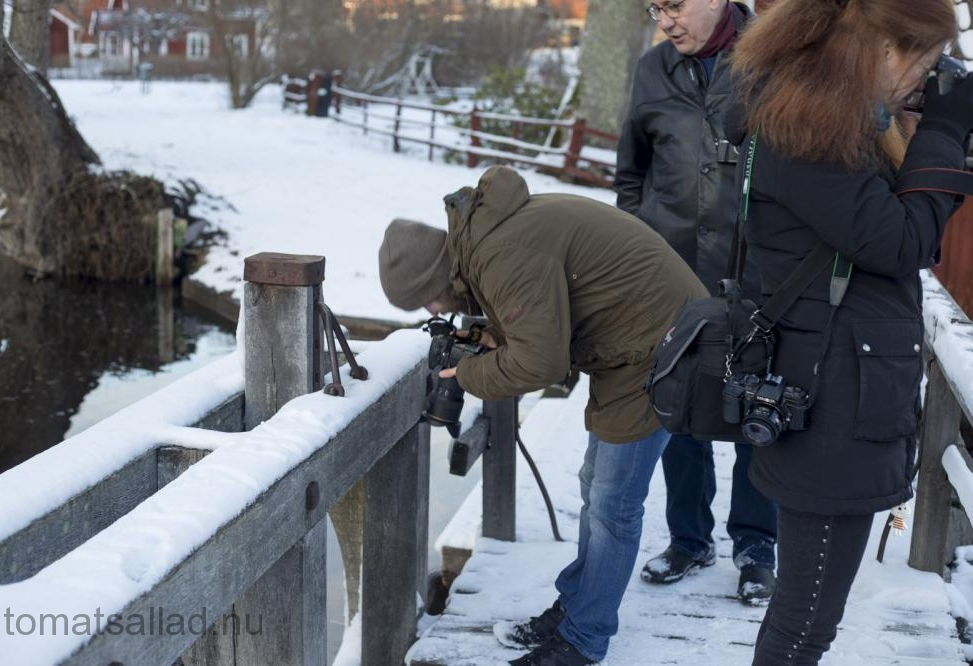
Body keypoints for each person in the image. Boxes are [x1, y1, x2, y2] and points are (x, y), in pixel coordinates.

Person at [378, 166, 706, 666]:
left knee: (613, 503)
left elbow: (541, 363)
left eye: (425, 300)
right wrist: (494, 340)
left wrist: (466, 377)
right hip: (638, 339)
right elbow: (543, 317)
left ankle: (583, 641)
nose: (433, 310)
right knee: (596, 484)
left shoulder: (501, 254)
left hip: (662, 347)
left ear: (437, 275)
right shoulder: (486, 237)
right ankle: (575, 610)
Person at [726, 0, 973, 663]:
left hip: (834, 388)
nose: (927, 78)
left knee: (806, 617)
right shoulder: (805, 131)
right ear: (884, 48)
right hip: (831, 401)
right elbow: (902, 241)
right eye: (924, 61)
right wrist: (946, 129)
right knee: (805, 623)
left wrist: (930, 123)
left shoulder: (836, 120)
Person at [614, 0, 778, 604]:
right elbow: (630, 174)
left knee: (758, 412)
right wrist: (635, 252)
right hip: (671, 276)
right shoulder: (653, 68)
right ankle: (689, 539)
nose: (665, 20)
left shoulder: (776, 57)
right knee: (680, 410)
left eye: (675, 5)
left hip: (761, 275)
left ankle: (757, 544)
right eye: (655, 8)